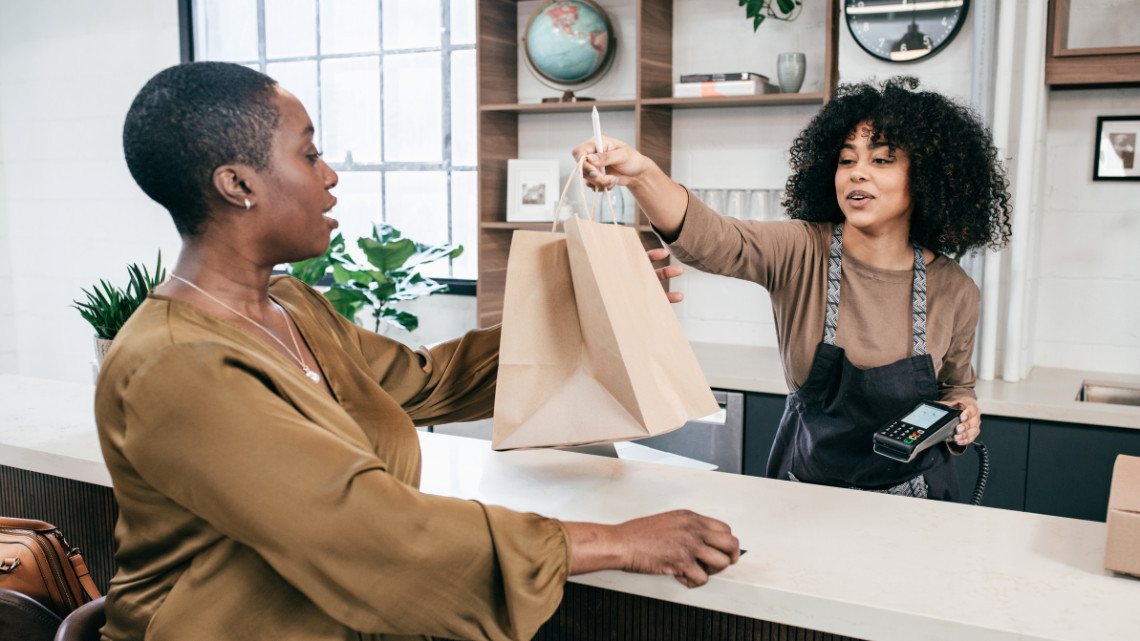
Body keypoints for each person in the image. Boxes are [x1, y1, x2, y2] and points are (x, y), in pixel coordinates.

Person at [96, 61, 739, 641]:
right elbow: (366, 532)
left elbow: (427, 381)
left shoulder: (292, 307)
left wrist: (592, 308)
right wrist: (616, 543)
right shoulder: (177, 362)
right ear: (237, 184)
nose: (330, 175)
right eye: (310, 154)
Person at [574, 77, 1012, 502]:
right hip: (806, 493)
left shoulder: (955, 289)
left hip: (918, 500)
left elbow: (956, 386)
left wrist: (964, 415)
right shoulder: (802, 250)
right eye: (846, 160)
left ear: (926, 177)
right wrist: (641, 175)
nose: (857, 173)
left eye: (881, 160)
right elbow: (714, 239)